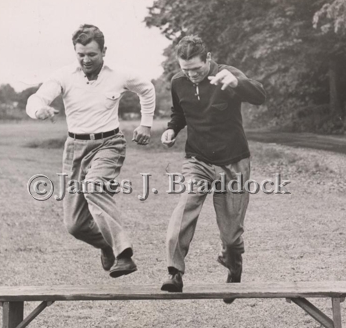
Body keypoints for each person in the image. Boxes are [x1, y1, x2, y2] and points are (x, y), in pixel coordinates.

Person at [26, 24, 155, 278]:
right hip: (75, 148)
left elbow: (147, 89)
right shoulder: (64, 75)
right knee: (74, 225)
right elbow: (37, 98)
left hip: (109, 143)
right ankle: (105, 244)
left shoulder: (120, 74)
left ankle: (123, 254)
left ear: (104, 51)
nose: (86, 60)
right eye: (81, 54)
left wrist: (146, 124)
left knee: (94, 186)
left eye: (92, 55)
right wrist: (39, 110)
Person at [160, 35, 265, 302]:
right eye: (186, 70)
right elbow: (179, 113)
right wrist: (172, 129)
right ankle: (174, 272)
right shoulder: (178, 82)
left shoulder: (227, 73)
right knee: (185, 207)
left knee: (231, 236)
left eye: (196, 68)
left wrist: (237, 84)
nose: (191, 75)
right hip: (198, 160)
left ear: (207, 58)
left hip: (234, 162)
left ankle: (233, 263)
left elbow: (259, 95)